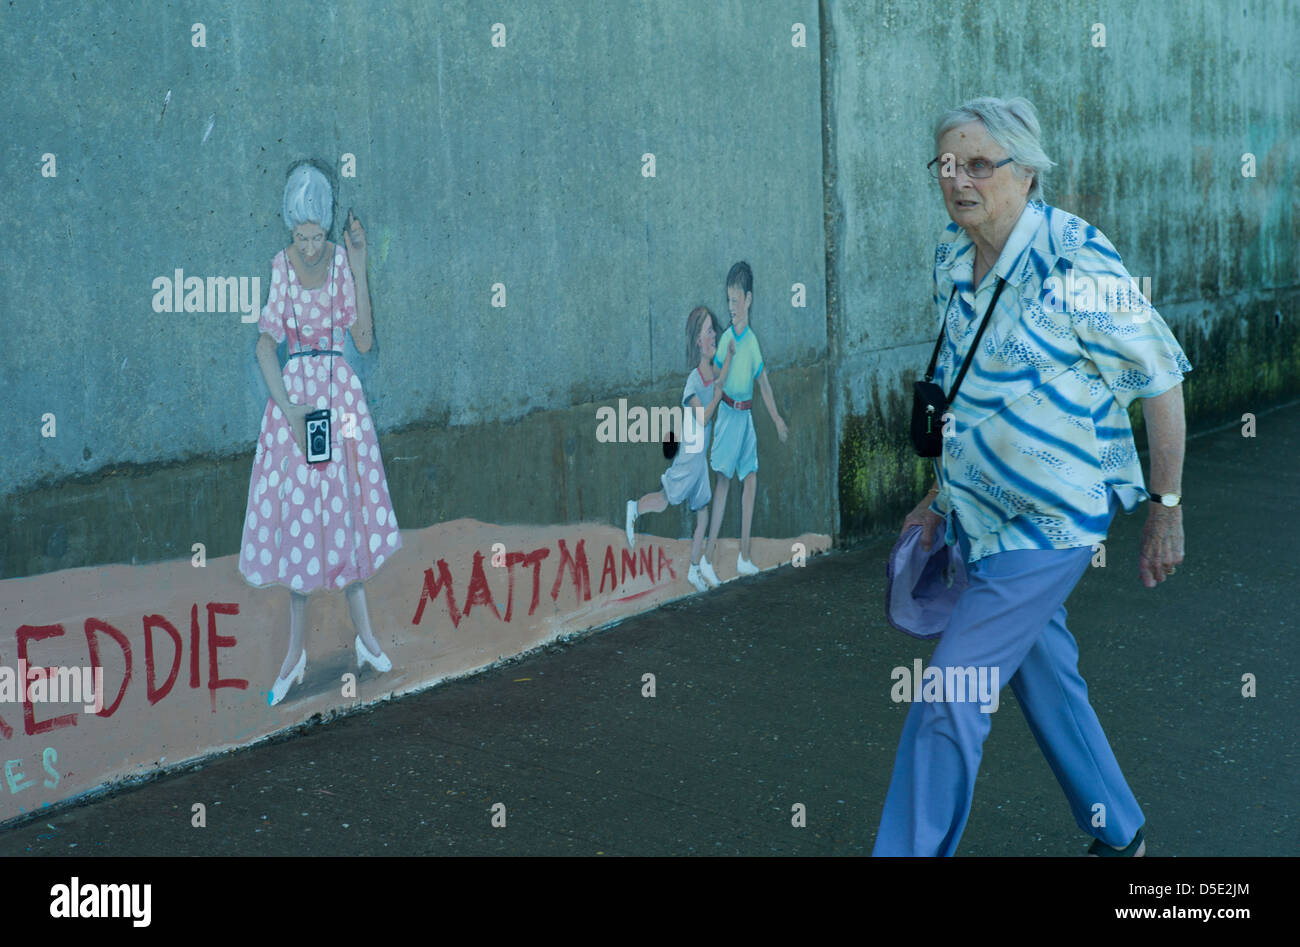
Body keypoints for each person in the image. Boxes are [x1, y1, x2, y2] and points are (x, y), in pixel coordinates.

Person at [872, 97, 1191, 857]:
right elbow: (965, 384)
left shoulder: (1075, 259)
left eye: (979, 163)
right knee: (1045, 675)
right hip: (978, 515)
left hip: (1051, 519)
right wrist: (937, 497)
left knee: (951, 696)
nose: (958, 180)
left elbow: (1161, 380)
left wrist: (1166, 505)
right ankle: (1121, 830)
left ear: (1025, 171)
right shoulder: (956, 254)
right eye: (947, 164)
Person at [240, 160, 402, 706]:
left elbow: (363, 339)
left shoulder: (339, 261)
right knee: (302, 532)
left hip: (341, 400)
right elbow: (265, 345)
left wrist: (358, 265)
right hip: (300, 410)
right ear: (290, 229)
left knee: (348, 518)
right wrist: (287, 408)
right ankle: (294, 653)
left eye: (316, 235)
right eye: (299, 235)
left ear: (328, 227)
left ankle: (366, 638)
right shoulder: (281, 268)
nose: (308, 245)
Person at [625, 307, 735, 591]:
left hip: (701, 459)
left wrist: (731, 358)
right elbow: (703, 417)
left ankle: (694, 570)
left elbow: (723, 381)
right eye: (708, 331)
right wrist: (719, 395)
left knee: (703, 513)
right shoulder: (694, 381)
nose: (714, 336)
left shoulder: (712, 373)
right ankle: (634, 508)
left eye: (714, 330)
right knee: (665, 500)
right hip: (690, 456)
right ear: (698, 341)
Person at [700, 262, 789, 584]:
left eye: (736, 301)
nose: (731, 308)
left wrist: (777, 419)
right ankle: (707, 559)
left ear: (748, 300)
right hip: (727, 416)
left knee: (749, 479)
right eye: (728, 302)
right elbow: (716, 382)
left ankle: (744, 557)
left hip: (746, 416)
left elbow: (763, 383)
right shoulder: (727, 341)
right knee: (723, 483)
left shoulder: (751, 342)